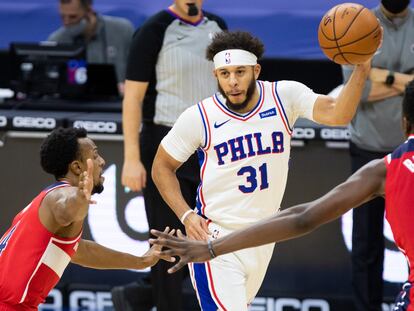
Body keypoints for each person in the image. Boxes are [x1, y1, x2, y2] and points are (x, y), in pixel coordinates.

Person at [150, 30, 379, 310]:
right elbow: (162, 166)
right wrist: (185, 214)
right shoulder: (200, 116)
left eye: (240, 72)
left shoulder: (284, 96)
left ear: (256, 70)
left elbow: (338, 114)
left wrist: (362, 68)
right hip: (216, 240)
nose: (232, 81)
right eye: (224, 74)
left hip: (262, 236)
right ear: (215, 75)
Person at [121, 1, 226, 310]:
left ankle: (137, 296)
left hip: (211, 144)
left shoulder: (218, 26)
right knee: (169, 241)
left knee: (210, 237)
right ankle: (155, 300)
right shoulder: (154, 30)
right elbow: (133, 98)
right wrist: (131, 157)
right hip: (165, 145)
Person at [0, 127, 173, 311]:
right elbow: (66, 209)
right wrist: (80, 198)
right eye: (96, 155)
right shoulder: (61, 196)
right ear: (77, 167)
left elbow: (83, 251)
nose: (102, 161)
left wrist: (140, 262)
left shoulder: (46, 202)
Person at [341, 1, 414, 309]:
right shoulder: (357, 24)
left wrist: (379, 75)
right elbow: (358, 90)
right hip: (368, 146)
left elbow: (370, 83)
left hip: (409, 152)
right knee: (365, 244)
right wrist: (406, 81)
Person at [48, 0, 134, 91]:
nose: (66, 22)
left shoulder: (122, 30)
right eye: (62, 17)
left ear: (89, 11)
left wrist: (128, 88)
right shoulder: (57, 39)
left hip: (119, 102)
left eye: (73, 17)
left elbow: (141, 71)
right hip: (76, 102)